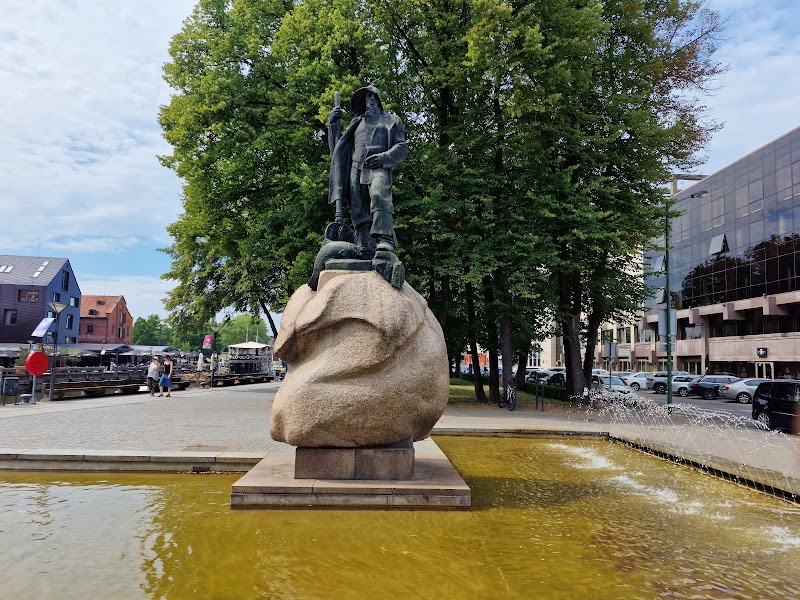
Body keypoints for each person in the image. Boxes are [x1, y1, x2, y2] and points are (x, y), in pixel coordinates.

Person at [328, 86, 408, 259]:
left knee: (379, 195)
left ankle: (384, 239)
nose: (370, 99)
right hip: (356, 168)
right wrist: (333, 125)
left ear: (378, 99)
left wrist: (384, 157)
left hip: (378, 166)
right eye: (366, 97)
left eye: (373, 96)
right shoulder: (356, 122)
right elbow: (339, 150)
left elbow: (401, 147)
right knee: (359, 209)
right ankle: (364, 248)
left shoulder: (392, 120)